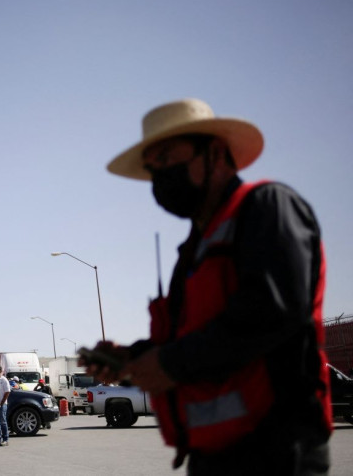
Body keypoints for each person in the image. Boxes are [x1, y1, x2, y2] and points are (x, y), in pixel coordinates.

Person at [82, 98, 332, 474]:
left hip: (278, 449)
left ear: (215, 153)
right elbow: (193, 336)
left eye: (167, 159)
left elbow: (274, 311)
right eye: (153, 169)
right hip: (212, 455)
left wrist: (167, 363)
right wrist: (133, 359)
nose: (160, 178)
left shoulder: (267, 207)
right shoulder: (194, 250)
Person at [0, 365, 11, 446]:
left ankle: (5, 439)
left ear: (1, 371)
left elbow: (7, 392)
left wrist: (2, 403)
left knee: (2, 421)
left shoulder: (4, 380)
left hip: (2, 404)